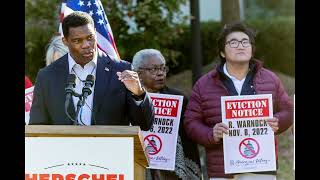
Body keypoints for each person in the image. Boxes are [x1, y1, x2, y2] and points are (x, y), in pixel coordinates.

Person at [184, 22, 293, 180]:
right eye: (233, 42)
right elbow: (190, 122)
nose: (240, 46)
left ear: (251, 49)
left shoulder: (270, 79)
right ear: (222, 52)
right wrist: (210, 134)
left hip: (261, 166)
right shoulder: (204, 84)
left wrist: (278, 121)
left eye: (245, 42)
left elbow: (288, 111)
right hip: (222, 169)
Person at [29, 11, 154, 131]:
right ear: (65, 41)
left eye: (90, 38)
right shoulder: (47, 76)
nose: (86, 45)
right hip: (65, 151)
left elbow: (145, 124)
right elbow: (37, 127)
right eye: (77, 41)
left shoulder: (121, 70)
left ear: (95, 33)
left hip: (110, 151)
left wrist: (138, 94)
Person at [132, 49, 201, 180]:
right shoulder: (127, 99)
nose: (160, 74)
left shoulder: (178, 98)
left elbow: (188, 141)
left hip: (171, 171)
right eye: (153, 69)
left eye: (163, 68)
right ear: (138, 73)